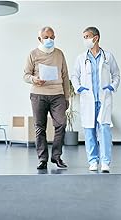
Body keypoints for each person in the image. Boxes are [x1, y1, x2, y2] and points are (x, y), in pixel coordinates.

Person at [71, 27, 120, 173]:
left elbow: (116, 75)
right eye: (84, 37)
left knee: (104, 131)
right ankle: (93, 161)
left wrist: (112, 86)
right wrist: (79, 88)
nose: (85, 39)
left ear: (96, 38)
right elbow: (74, 76)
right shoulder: (81, 58)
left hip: (103, 99)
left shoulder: (108, 57)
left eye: (87, 36)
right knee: (89, 131)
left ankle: (105, 162)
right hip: (88, 100)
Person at [23, 26, 70, 170]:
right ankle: (42, 159)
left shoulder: (59, 54)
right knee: (39, 128)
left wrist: (66, 97)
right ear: (40, 39)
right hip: (38, 95)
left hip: (57, 95)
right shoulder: (33, 54)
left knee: (61, 124)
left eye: (52, 37)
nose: (50, 40)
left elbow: (65, 76)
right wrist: (34, 79)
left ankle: (56, 157)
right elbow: (25, 75)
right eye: (46, 37)